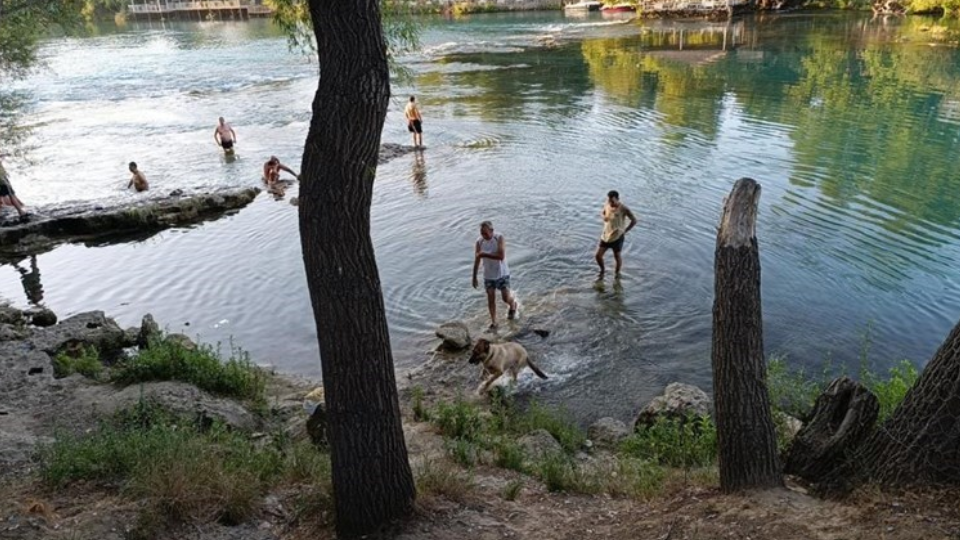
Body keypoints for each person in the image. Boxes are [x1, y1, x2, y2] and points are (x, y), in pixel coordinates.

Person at [472, 220, 519, 330]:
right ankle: (494, 322)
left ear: (492, 231)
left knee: (505, 298)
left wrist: (484, 254)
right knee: (490, 299)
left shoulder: (499, 238)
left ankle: (513, 304)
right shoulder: (479, 242)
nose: (483, 235)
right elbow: (477, 259)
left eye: (485, 233)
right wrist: (474, 277)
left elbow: (501, 256)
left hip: (502, 274)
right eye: (481, 233)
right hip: (488, 275)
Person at [595, 190, 637, 277]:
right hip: (606, 235)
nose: (611, 203)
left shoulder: (624, 209)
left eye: (613, 201)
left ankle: (617, 274)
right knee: (598, 256)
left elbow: (634, 220)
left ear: (618, 199)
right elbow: (603, 212)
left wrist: (625, 230)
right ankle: (602, 271)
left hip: (617, 237)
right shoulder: (607, 205)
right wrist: (604, 217)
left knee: (617, 256)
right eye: (609, 200)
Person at [0, 154, 29, 222]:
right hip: (2, 179)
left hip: (2, 178)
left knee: (7, 195)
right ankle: (21, 212)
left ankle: (20, 212)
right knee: (11, 194)